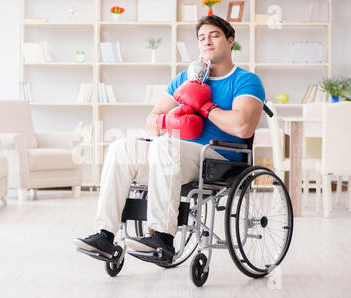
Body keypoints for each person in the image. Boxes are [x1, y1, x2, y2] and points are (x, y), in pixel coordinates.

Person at [74, 15, 265, 260]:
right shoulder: (186, 80)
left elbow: (243, 127)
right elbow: (151, 120)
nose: (206, 41)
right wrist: (169, 121)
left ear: (230, 41)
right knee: (121, 148)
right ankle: (104, 235)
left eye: (214, 35)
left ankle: (162, 238)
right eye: (201, 37)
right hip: (173, 154)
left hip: (218, 159)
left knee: (165, 146)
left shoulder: (245, 80)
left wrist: (205, 107)